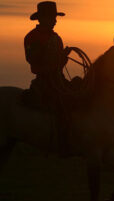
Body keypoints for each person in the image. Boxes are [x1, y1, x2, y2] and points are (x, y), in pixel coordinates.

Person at [24, 1, 71, 156]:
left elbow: (59, 64)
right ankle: (60, 141)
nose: (55, 20)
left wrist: (63, 58)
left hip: (58, 79)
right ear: (42, 18)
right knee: (60, 106)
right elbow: (33, 60)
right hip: (44, 81)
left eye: (55, 17)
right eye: (52, 17)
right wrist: (57, 59)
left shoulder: (56, 37)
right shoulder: (32, 37)